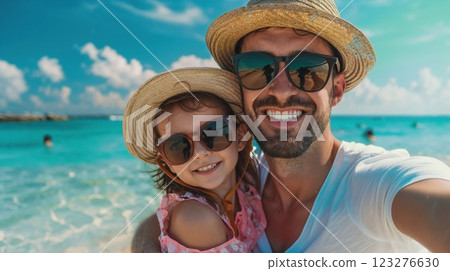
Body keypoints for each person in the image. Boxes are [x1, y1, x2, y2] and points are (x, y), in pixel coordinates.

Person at [133, 0, 450, 252]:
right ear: (241, 87)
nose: (281, 90)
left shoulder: (378, 183)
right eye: (258, 69)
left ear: (336, 89)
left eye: (306, 69)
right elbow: (163, 217)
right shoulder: (243, 177)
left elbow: (437, 211)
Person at [123, 68, 266, 252]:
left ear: (240, 136)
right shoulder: (196, 218)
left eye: (214, 133)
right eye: (178, 146)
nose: (200, 153)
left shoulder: (246, 184)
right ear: (166, 161)